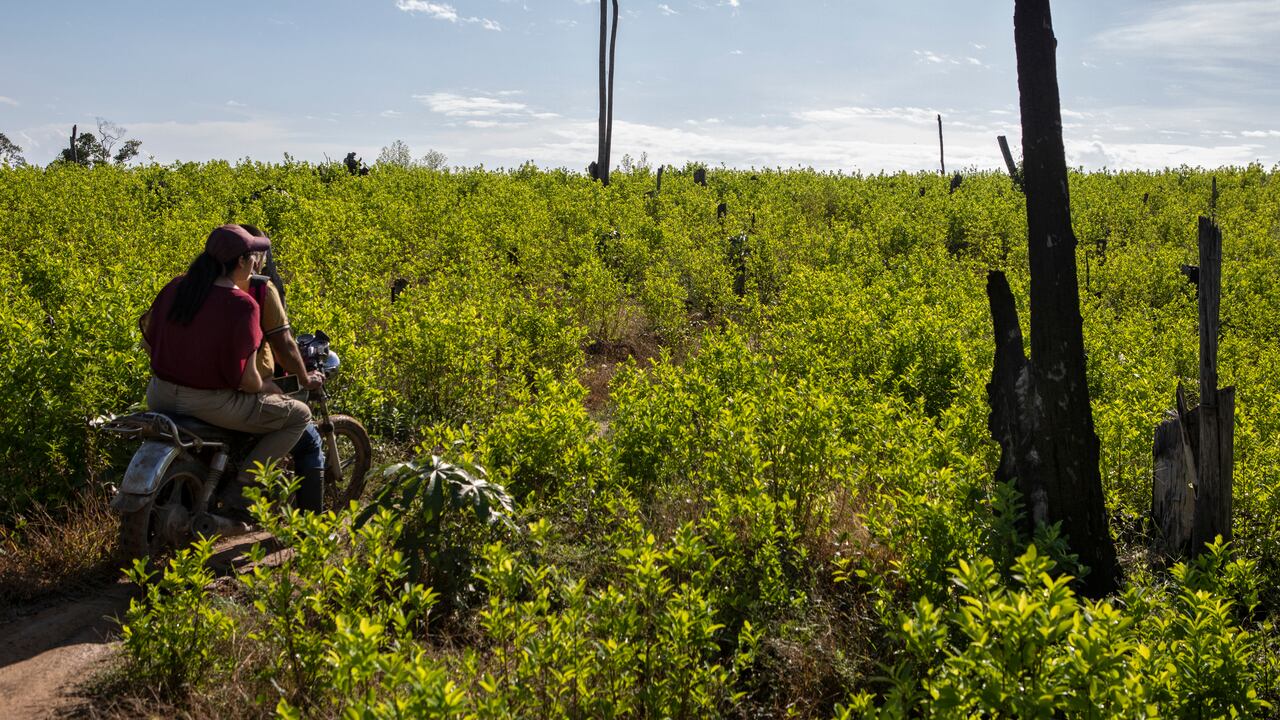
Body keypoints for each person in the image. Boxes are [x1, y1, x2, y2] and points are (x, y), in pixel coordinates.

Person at [142, 224, 312, 500]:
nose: (257, 264)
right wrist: (268, 386)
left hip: (159, 395)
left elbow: (149, 345)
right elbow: (248, 381)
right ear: (242, 261)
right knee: (299, 415)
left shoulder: (177, 287)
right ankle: (245, 485)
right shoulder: (243, 305)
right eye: (253, 258)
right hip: (211, 404)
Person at [237, 224, 327, 512]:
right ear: (249, 259)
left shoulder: (194, 286)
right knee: (307, 434)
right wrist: (303, 377)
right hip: (236, 394)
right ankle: (312, 532)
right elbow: (283, 343)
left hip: (180, 389)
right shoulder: (259, 289)